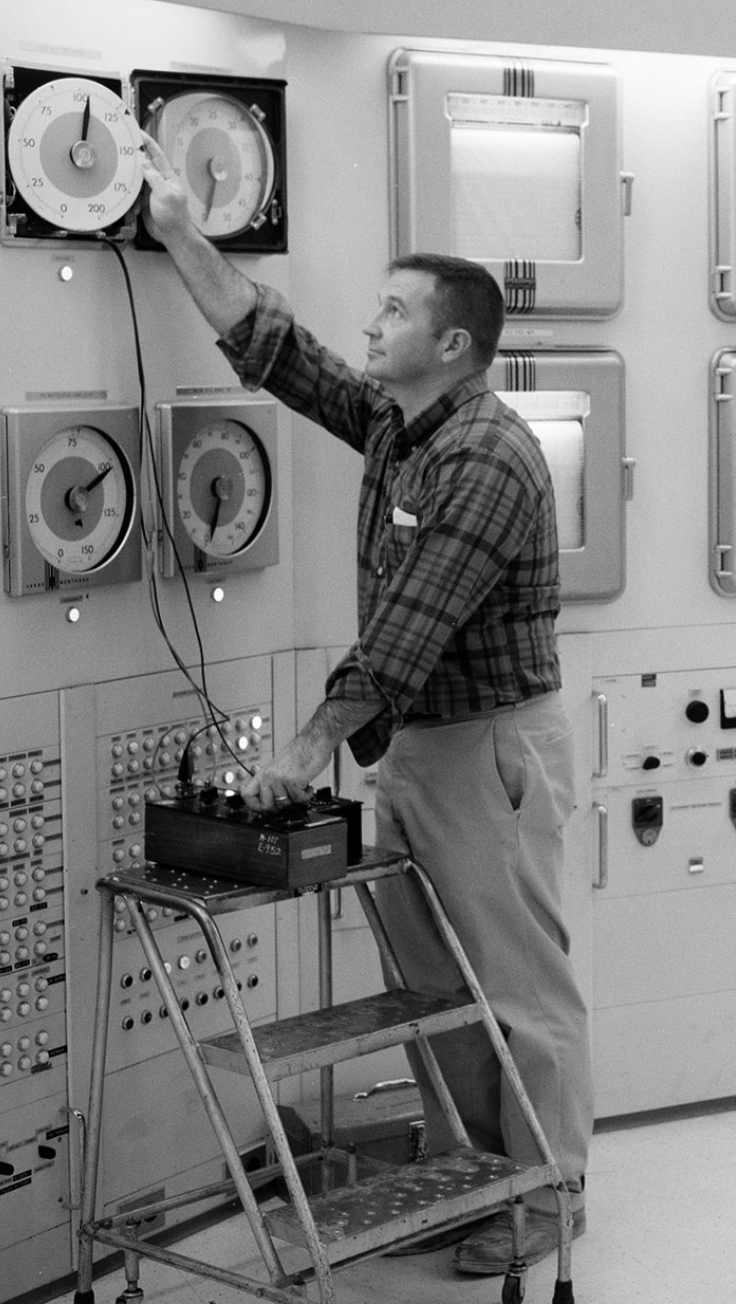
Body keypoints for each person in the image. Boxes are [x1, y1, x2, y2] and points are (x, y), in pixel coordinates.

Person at [138, 139, 593, 1276]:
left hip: (486, 751)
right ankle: (473, 1170)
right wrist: (183, 231)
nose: (372, 323)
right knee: (438, 990)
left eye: (394, 310)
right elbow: (283, 354)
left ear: (453, 343)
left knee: (518, 988)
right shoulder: (405, 424)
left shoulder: (488, 454)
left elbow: (409, 631)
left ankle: (548, 1194)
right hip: (418, 748)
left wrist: (305, 745)